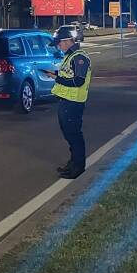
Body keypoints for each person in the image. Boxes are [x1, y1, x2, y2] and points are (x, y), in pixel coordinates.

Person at [49, 25, 92, 179]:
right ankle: (73, 163)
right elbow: (68, 74)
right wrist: (54, 73)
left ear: (67, 41)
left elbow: (78, 81)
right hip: (66, 102)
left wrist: (57, 78)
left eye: (59, 43)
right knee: (69, 136)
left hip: (73, 103)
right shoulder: (69, 57)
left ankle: (78, 167)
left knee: (74, 136)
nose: (58, 46)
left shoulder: (79, 58)